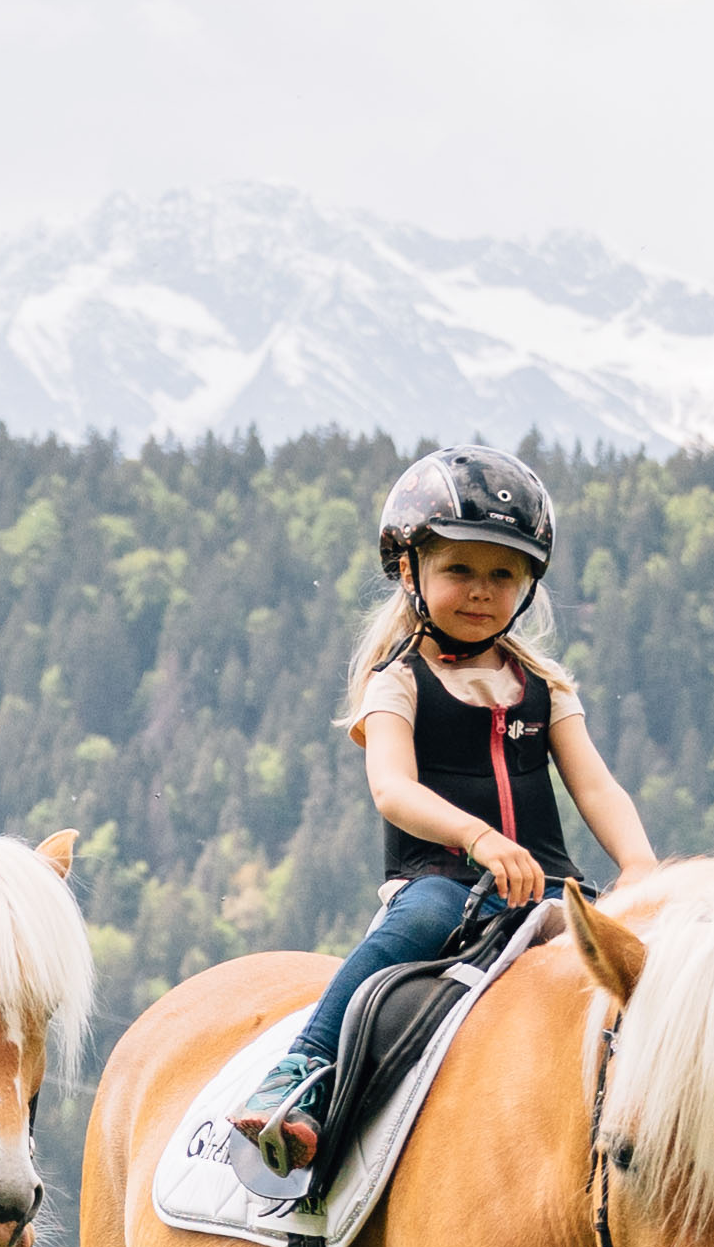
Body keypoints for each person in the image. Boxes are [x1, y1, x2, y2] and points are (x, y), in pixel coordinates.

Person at [229, 446, 656, 1176]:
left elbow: (597, 788)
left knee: (641, 968)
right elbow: (392, 789)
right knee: (416, 926)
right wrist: (478, 838)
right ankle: (300, 1075)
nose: (482, 591)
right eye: (460, 569)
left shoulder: (546, 687)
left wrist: (643, 869)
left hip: (551, 889)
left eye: (503, 575)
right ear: (410, 572)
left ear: (527, 586)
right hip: (443, 883)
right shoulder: (397, 683)